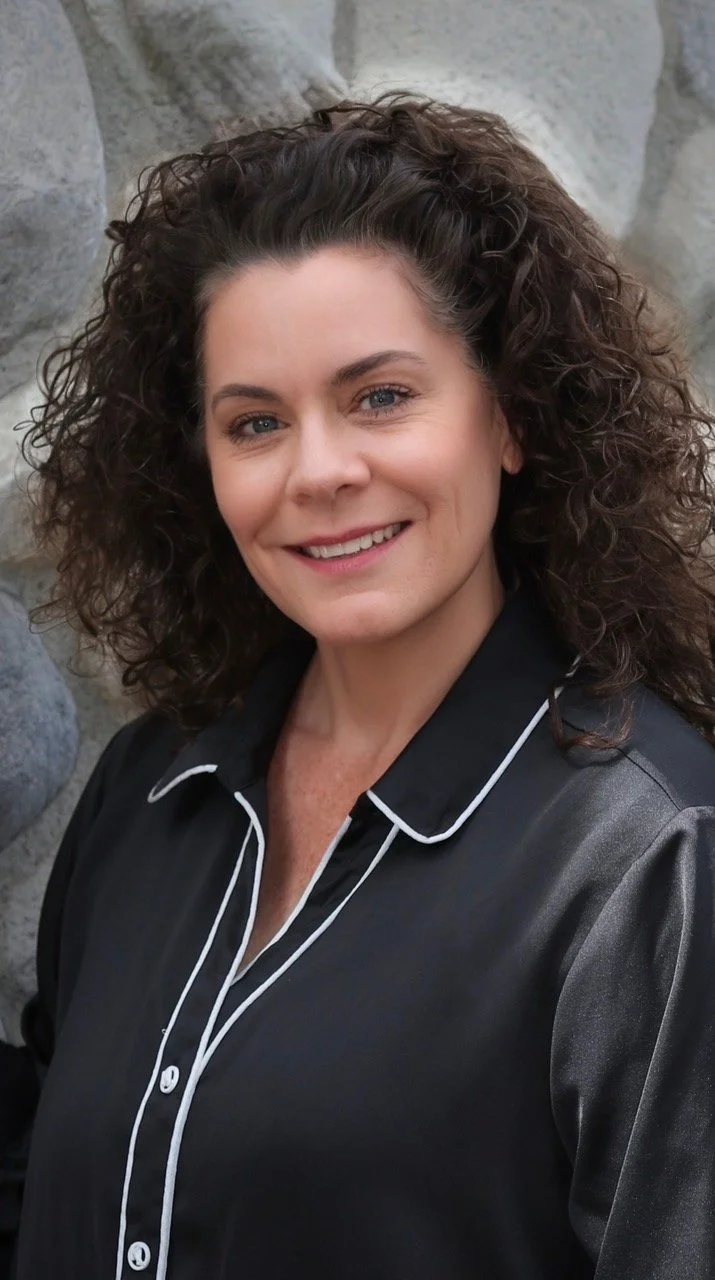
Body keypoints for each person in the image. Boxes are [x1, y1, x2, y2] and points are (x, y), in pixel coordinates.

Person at [4, 90, 715, 1279]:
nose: (319, 471)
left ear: (509, 416)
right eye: (254, 423)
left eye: (380, 396)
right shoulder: (149, 786)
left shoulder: (650, 860)